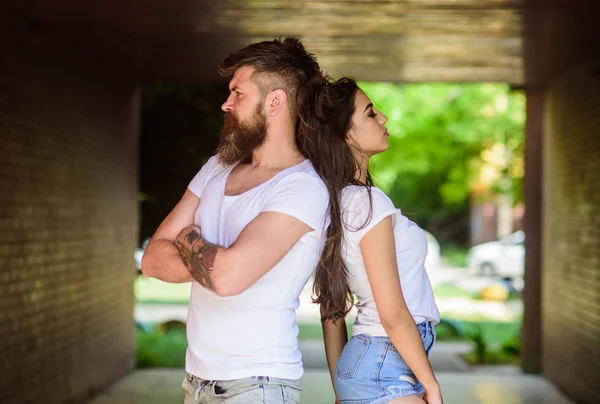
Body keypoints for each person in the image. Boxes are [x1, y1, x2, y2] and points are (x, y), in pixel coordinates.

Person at [141, 38, 330, 404]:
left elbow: (227, 279)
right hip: (196, 382)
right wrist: (212, 259)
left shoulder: (302, 188)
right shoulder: (216, 167)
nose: (225, 103)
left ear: (275, 101)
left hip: (256, 384)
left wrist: (186, 237)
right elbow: (151, 260)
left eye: (238, 93)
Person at [297, 77, 443, 404]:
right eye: (370, 113)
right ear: (346, 134)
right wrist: (431, 386)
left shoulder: (338, 202)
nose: (383, 118)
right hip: (383, 366)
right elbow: (391, 312)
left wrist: (341, 389)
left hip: (374, 366)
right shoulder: (367, 203)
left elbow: (332, 311)